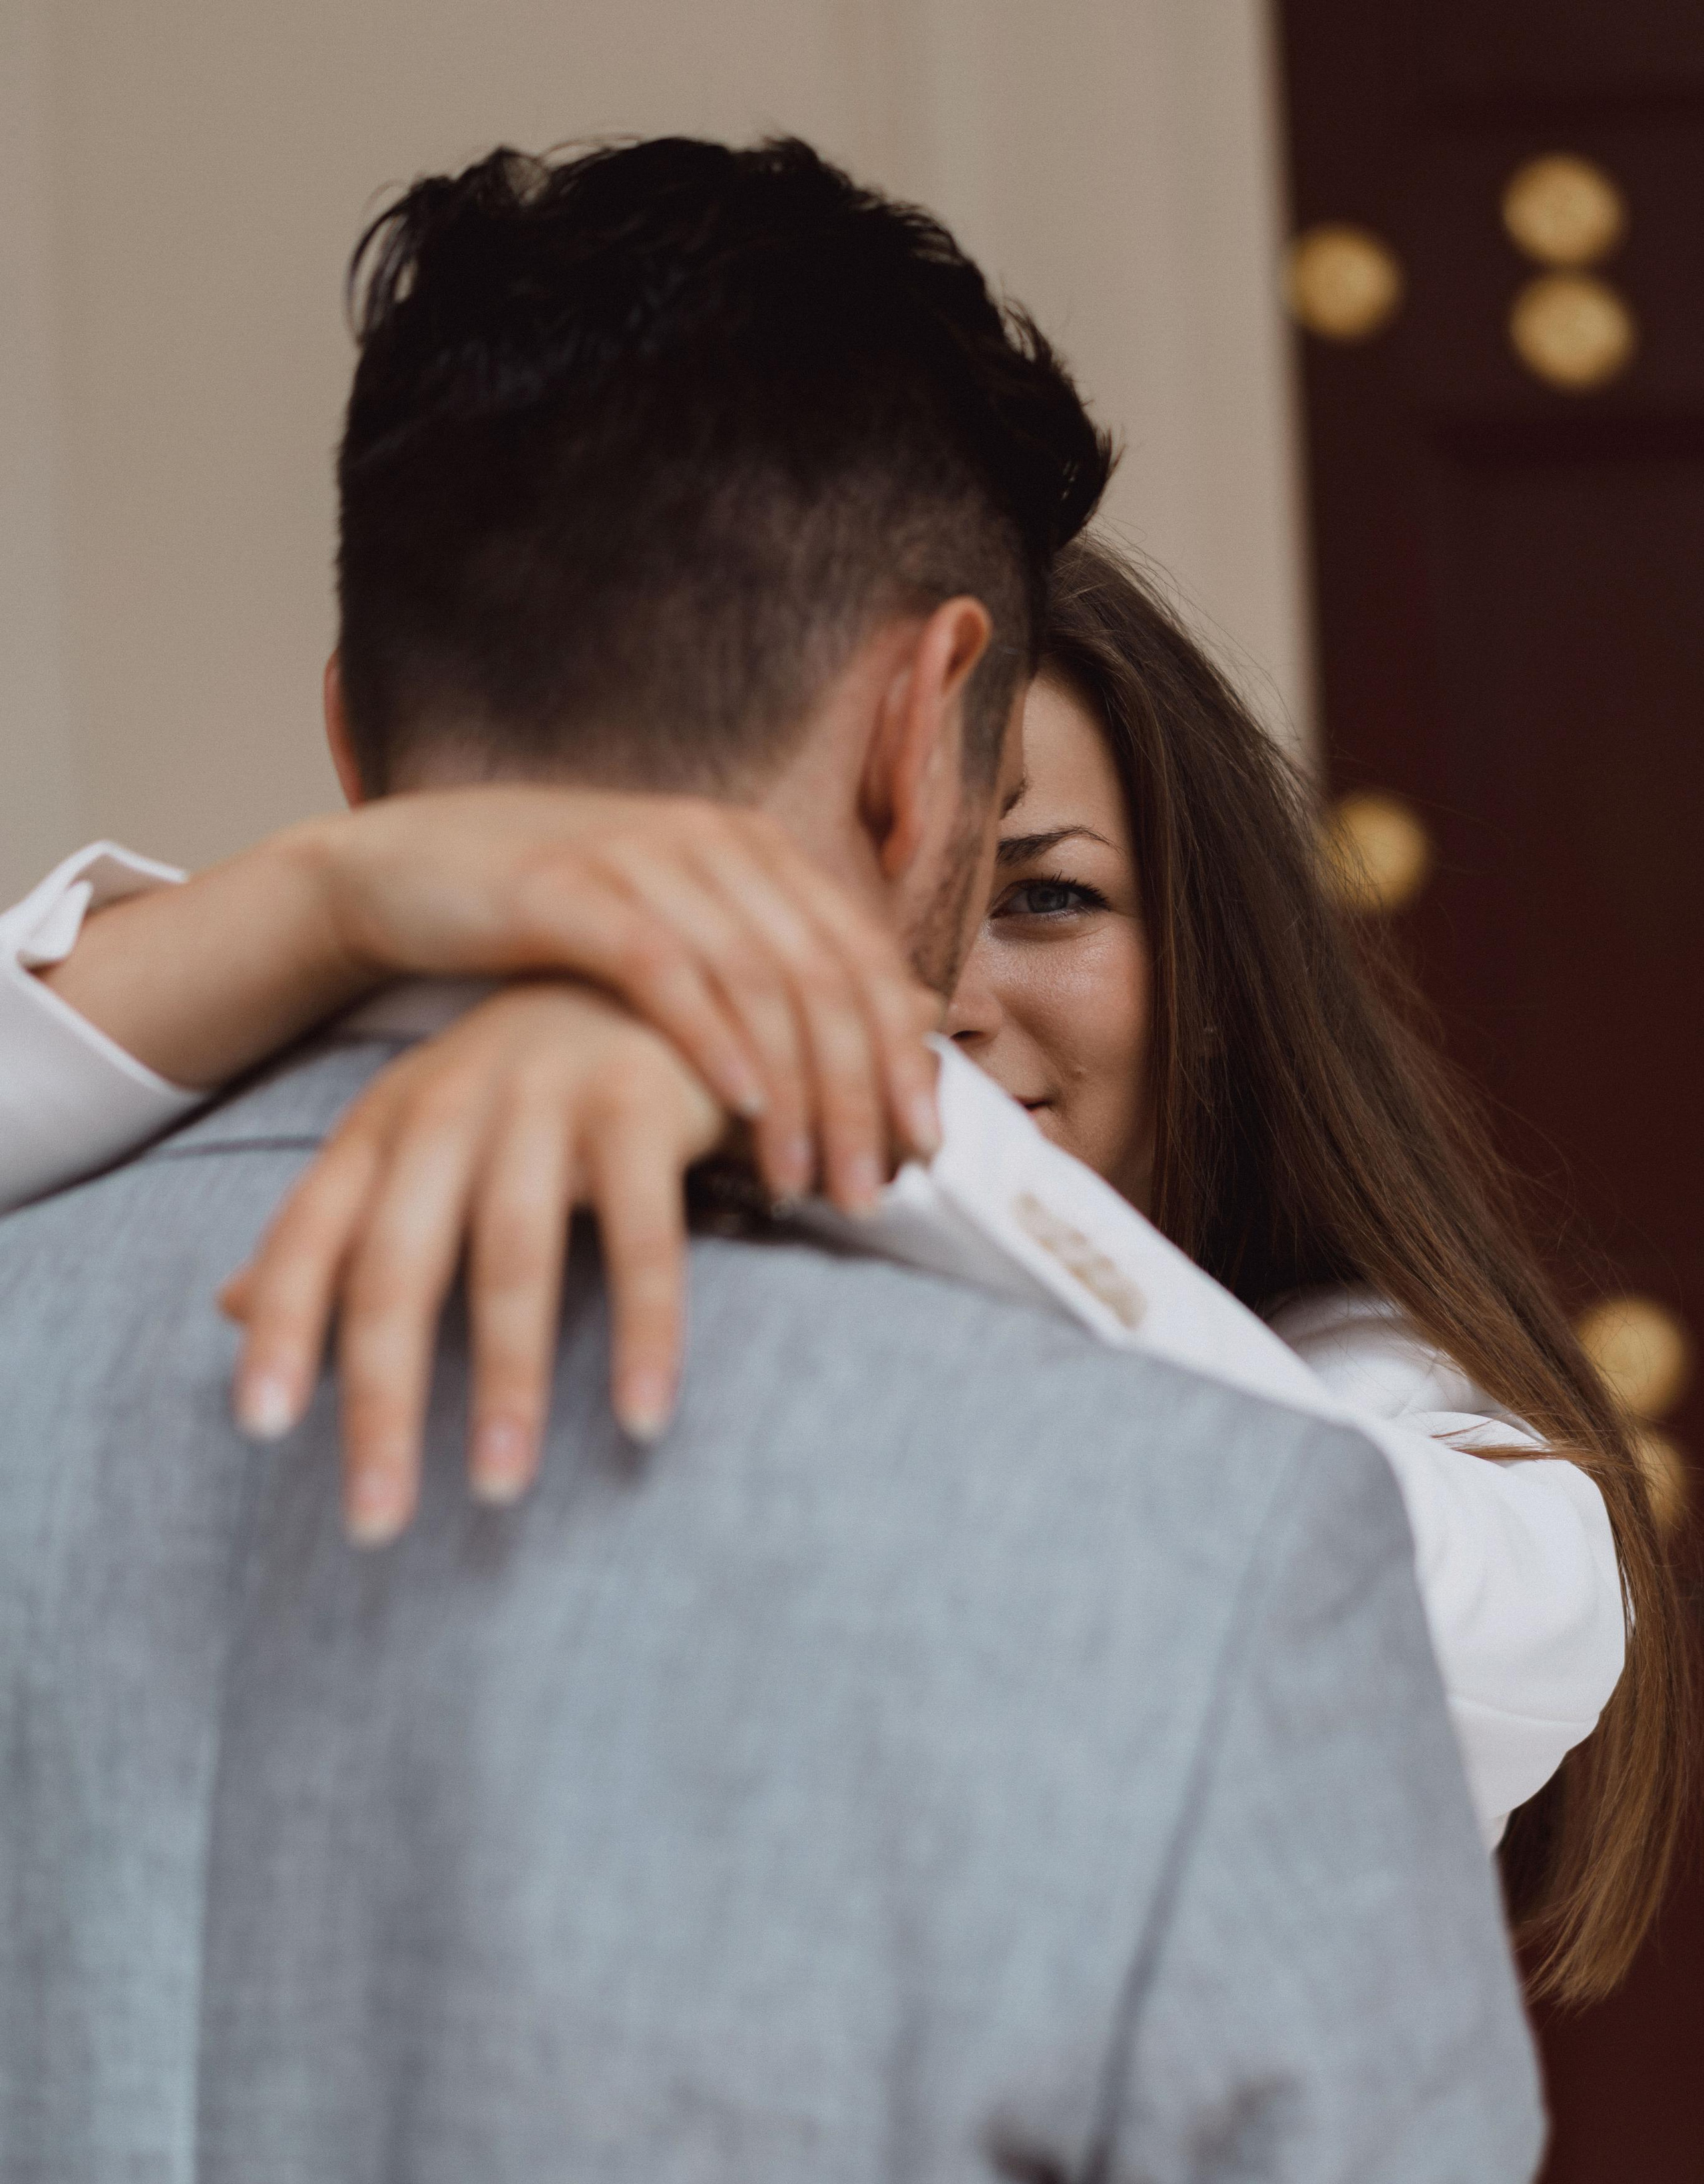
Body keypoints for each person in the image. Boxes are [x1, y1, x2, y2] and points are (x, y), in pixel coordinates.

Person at [0, 136, 1616, 2184]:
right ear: (915, 737)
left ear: (352, 723)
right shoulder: (1188, 1563)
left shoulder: (1334, 1468)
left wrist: (786, 1080)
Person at [1, 580, 1679, 2010]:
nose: (939, 996)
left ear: (1209, 955)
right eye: (841, 918)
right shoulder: (586, 1261)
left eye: (1042, 897)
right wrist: (325, 901)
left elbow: (1383, 1603)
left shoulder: (1393, 1425)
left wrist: (821, 1077)